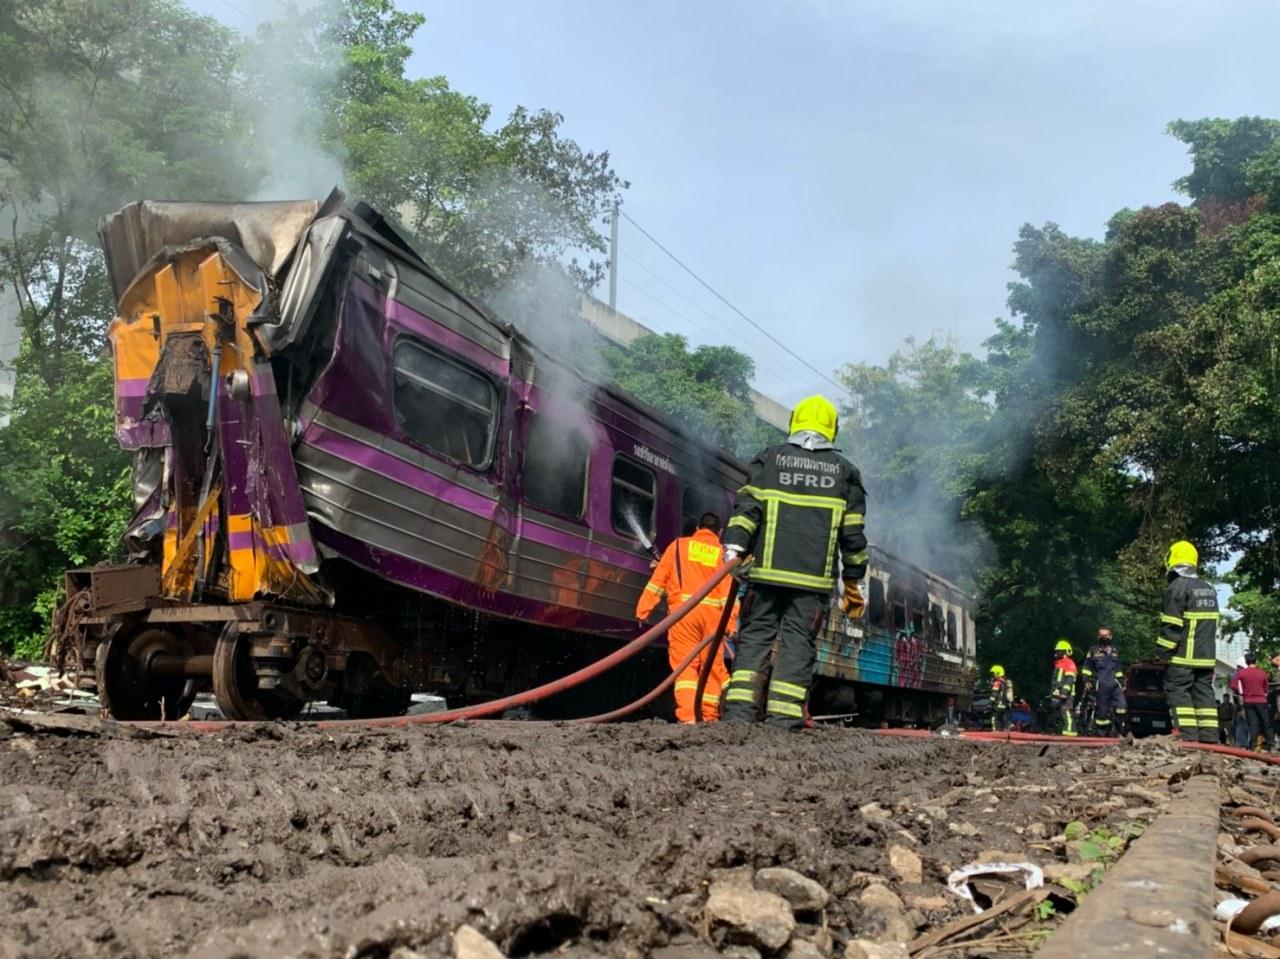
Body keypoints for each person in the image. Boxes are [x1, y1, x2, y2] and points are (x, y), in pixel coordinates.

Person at [720, 395, 867, 729]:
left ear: (794, 422)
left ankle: (739, 715)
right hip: (811, 584)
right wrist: (853, 583)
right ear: (832, 429)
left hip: (765, 575)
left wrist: (734, 550)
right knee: (798, 644)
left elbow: (746, 512)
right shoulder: (845, 474)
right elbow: (853, 537)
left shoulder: (769, 460)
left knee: (754, 639)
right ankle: (784, 720)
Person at [635, 512, 737, 723]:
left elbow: (658, 581)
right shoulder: (722, 555)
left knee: (685, 669)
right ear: (719, 532)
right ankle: (708, 717)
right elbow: (729, 594)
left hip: (683, 617)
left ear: (698, 528)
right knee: (712, 669)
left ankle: (689, 718)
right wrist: (730, 624)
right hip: (713, 620)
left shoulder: (678, 546)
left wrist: (643, 610)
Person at [1156, 540, 1219, 744]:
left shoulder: (1176, 588)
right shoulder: (1209, 589)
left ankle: (1188, 738)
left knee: (1178, 692)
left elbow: (1172, 625)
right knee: (1204, 695)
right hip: (1206, 658)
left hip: (1183, 657)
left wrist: (1163, 653)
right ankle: (1209, 739)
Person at [1081, 628, 1127, 736]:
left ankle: (1119, 727)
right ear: (1098, 637)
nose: (1104, 638)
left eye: (1106, 635)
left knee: (1122, 706)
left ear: (1110, 636)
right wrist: (1086, 680)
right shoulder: (1093, 651)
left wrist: (1122, 682)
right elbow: (1086, 667)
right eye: (1101, 635)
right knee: (1102, 712)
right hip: (1101, 685)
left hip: (1115, 684)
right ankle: (1102, 733)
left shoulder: (1115, 651)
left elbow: (1118, 668)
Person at [1232, 652, 1275, 752]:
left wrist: (1241, 693)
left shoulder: (1241, 673)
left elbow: (1233, 685)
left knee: (1253, 724)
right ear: (1256, 661)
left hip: (1248, 701)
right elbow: (1266, 688)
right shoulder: (1262, 673)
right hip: (1261, 700)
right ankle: (1271, 745)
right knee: (1266, 723)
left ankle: (1252, 745)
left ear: (1246, 662)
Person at [1050, 639, 1078, 736]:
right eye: (1057, 651)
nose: (1057, 653)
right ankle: (1063, 729)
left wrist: (1065, 691)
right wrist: (1055, 690)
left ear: (1065, 652)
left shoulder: (1069, 663)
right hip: (1058, 692)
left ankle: (1070, 730)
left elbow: (1070, 679)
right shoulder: (1059, 664)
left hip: (1067, 694)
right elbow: (1057, 680)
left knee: (1066, 710)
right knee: (1059, 712)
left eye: (1060, 651)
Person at [988, 665, 1013, 731]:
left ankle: (996, 732)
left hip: (998, 705)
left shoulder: (997, 682)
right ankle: (1007, 730)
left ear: (997, 673)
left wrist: (989, 704)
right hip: (1006, 705)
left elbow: (994, 694)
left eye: (994, 673)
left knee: (995, 719)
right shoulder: (1007, 682)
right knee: (1004, 720)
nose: (993, 675)